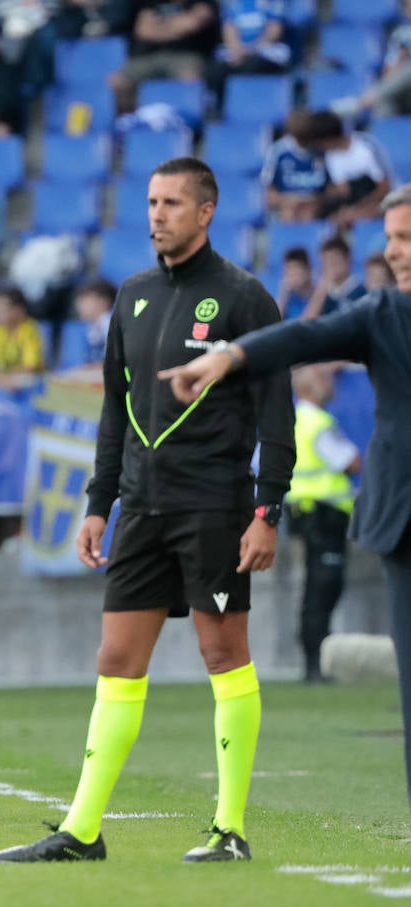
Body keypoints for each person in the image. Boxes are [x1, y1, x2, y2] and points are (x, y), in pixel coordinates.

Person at [0, 157, 295, 864]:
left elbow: (275, 411)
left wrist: (267, 510)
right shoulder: (130, 296)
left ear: (207, 210)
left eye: (172, 203)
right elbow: (115, 414)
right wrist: (99, 503)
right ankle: (82, 830)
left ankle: (230, 829)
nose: (157, 214)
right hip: (143, 510)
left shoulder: (245, 298)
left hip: (215, 506)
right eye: (152, 201)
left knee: (224, 652)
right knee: (116, 658)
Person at [161, 182, 411, 806]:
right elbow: (303, 338)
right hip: (404, 519)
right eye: (391, 239)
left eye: (405, 238)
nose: (394, 252)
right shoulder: (384, 314)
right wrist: (226, 357)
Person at [284, 364, 361, 683]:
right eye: (324, 378)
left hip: (303, 513)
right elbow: (351, 461)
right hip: (323, 516)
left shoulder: (293, 420)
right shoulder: (318, 422)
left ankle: (313, 662)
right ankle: (316, 665)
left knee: (314, 589)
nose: (331, 384)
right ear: (309, 388)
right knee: (323, 588)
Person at [110, 0, 220, 111]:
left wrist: (161, 26)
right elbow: (144, 31)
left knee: (190, 77)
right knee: (119, 81)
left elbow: (192, 24)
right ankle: (127, 121)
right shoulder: (150, 3)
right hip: (147, 57)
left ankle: (189, 121)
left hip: (187, 57)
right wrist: (177, 27)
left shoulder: (204, 2)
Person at [260, 109, 328, 223]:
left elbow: (335, 188)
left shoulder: (323, 150)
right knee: (289, 212)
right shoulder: (278, 152)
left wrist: (317, 201)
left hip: (315, 207)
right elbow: (269, 195)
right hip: (288, 205)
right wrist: (288, 200)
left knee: (309, 214)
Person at [0, 284, 44, 377]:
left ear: (18, 310)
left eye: (0, 308)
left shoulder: (30, 330)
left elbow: (30, 367)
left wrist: (2, 377)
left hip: (30, 385)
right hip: (2, 381)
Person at [301, 237, 366, 320]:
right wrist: (322, 289)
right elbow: (306, 323)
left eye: (335, 260)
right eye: (326, 261)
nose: (331, 266)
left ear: (347, 260)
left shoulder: (361, 291)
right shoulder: (322, 294)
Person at [73, 279, 115, 364]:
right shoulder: (93, 327)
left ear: (103, 301)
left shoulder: (112, 325)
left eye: (84, 299)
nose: (78, 304)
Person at [274, 246, 315, 321]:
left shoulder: (319, 295)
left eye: (296, 269)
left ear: (308, 270)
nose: (292, 275)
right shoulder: (287, 297)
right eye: (289, 269)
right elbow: (273, 323)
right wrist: (284, 294)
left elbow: (308, 324)